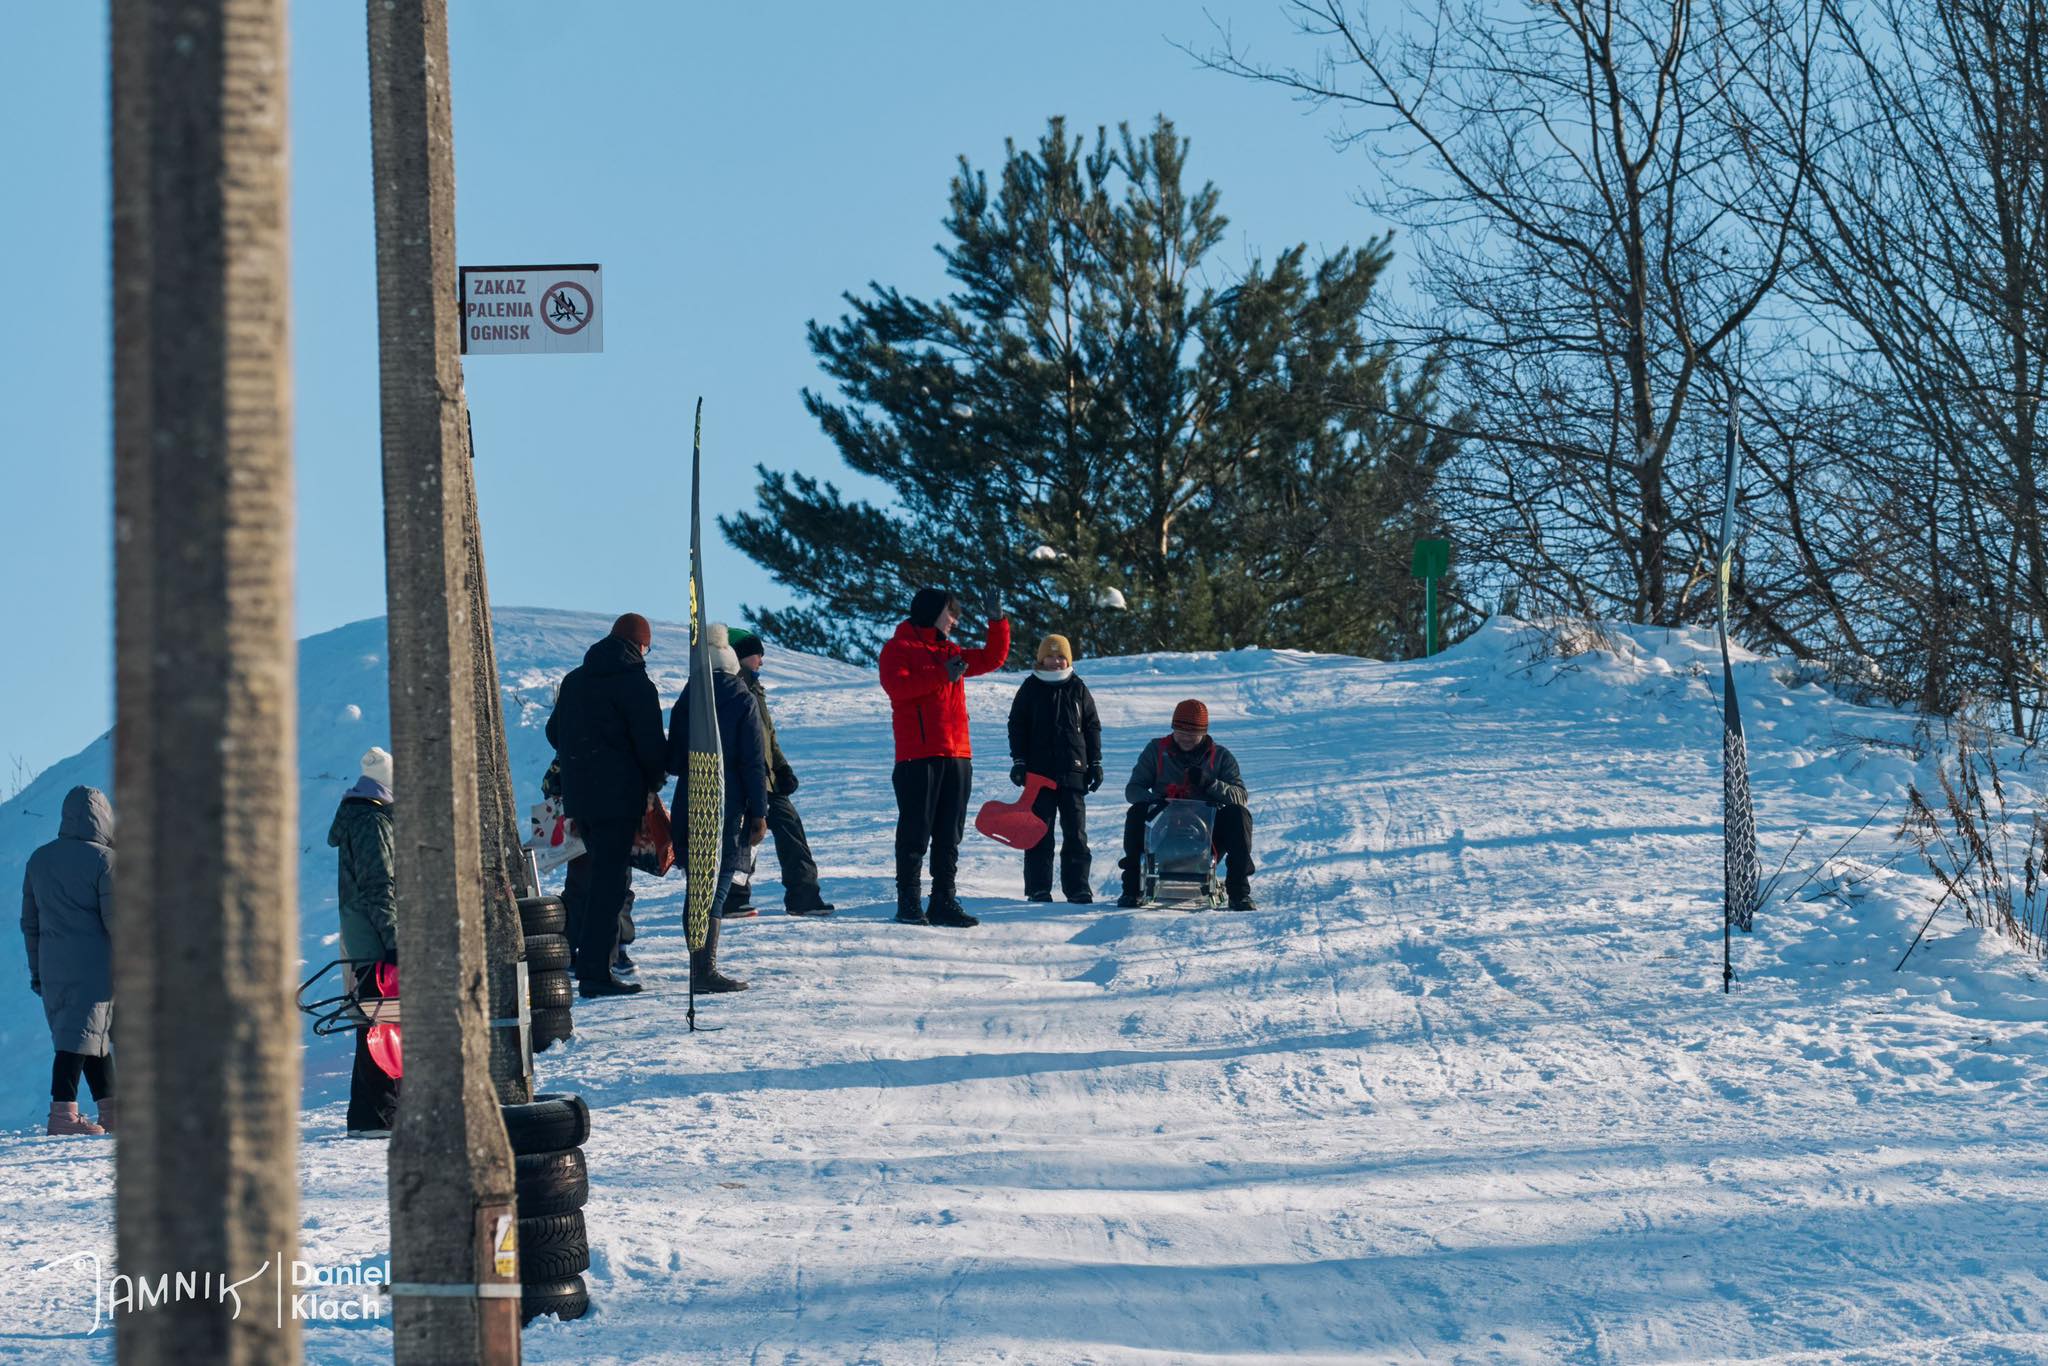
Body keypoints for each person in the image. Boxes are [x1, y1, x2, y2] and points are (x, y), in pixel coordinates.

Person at [545, 612, 667, 998]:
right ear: (640, 644)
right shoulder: (636, 684)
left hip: (582, 801)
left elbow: (553, 733)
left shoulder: (575, 680)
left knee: (597, 881)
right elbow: (651, 747)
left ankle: (591, 962)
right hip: (620, 800)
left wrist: (584, 756)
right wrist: (654, 777)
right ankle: (596, 973)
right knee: (610, 887)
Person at [879, 588, 1011, 927]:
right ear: (934, 610)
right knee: (915, 832)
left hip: (958, 755)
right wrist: (941, 674)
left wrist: (997, 621)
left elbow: (993, 657)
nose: (954, 621)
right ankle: (908, 902)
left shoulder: (951, 651)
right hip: (917, 756)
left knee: (950, 833)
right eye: (950, 613)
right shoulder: (898, 648)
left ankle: (943, 901)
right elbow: (897, 688)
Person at [667, 623, 768, 992]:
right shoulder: (742, 698)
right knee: (718, 883)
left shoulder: (689, 696)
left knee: (698, 884)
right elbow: (753, 761)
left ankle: (699, 964)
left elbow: (674, 759)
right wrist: (759, 811)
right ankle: (704, 968)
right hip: (727, 803)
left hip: (690, 799)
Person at [21, 786, 116, 1137]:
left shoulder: (39, 860)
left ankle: (112, 1109)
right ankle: (63, 1115)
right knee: (79, 1037)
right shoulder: (105, 860)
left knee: (91, 1034)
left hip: (52, 964)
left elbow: (30, 923)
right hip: (96, 966)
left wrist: (37, 970)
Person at [720, 628, 835, 918]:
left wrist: (782, 768)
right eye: (757, 655)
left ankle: (804, 896)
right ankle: (733, 897)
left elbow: (768, 737)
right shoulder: (730, 689)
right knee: (744, 838)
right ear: (741, 656)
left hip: (767, 779)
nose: (761, 661)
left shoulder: (755, 689)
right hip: (744, 778)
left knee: (791, 831)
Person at [1116, 699, 1257, 910]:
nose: (1186, 738)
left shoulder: (1220, 757)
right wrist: (1155, 801)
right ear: (1173, 728)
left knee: (1238, 814)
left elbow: (1240, 796)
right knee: (1136, 812)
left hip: (1207, 836)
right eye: (1180, 732)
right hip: (1163, 832)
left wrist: (1209, 783)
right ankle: (1132, 888)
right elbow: (1132, 789)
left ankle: (1239, 891)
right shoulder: (1156, 750)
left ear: (1204, 732)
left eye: (1192, 734)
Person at [328, 748, 398, 1138]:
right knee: (382, 1020)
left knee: (374, 1019)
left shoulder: (363, 816)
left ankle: (371, 1113)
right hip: (374, 938)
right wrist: (395, 940)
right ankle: (378, 1115)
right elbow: (379, 887)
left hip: (362, 936)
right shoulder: (371, 821)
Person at [1006, 633, 1103, 903]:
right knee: (1038, 830)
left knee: (1076, 832)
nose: (1055, 661)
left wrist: (1095, 763)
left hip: (1073, 771)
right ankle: (1038, 887)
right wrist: (1019, 762)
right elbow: (1017, 725)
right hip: (1039, 773)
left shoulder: (1078, 687)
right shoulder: (1030, 687)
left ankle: (1078, 887)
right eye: (1050, 655)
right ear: (1041, 658)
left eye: (1061, 656)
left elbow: (1092, 726)